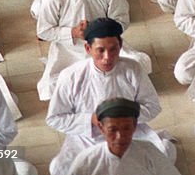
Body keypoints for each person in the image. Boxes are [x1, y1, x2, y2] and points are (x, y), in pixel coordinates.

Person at [47, 19, 175, 175]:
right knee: (59, 168)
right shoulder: (71, 76)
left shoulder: (132, 68)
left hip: (129, 136)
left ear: (120, 46)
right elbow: (55, 118)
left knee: (164, 154)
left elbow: (153, 106)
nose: (107, 57)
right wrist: (92, 120)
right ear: (88, 48)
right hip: (86, 139)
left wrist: (123, 118)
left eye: (113, 49)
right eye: (100, 50)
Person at [35, 0, 149, 102]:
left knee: (140, 64)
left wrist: (101, 31)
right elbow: (44, 30)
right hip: (69, 50)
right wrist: (73, 32)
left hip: (105, 47)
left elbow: (121, 19)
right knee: (51, 86)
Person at [67, 98, 181, 175]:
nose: (120, 136)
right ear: (101, 128)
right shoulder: (87, 160)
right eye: (112, 130)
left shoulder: (148, 151)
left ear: (135, 126)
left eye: (126, 128)